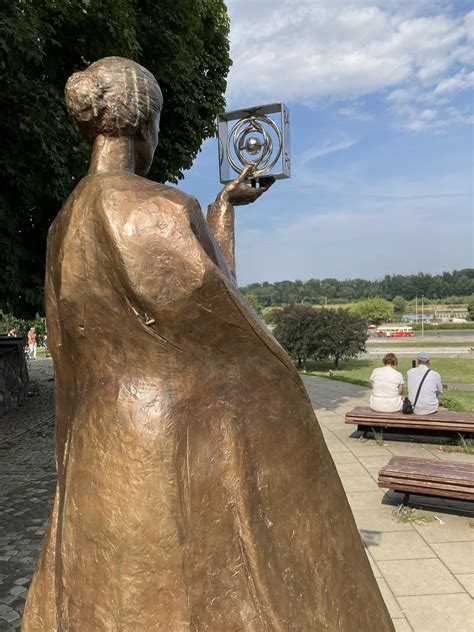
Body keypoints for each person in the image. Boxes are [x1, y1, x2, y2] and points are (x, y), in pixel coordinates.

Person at [22, 57, 394, 631]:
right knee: (183, 592)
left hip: (99, 436)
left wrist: (221, 210)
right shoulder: (162, 208)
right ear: (145, 124)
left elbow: (95, 339)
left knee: (108, 592)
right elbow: (226, 320)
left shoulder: (62, 224)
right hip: (171, 435)